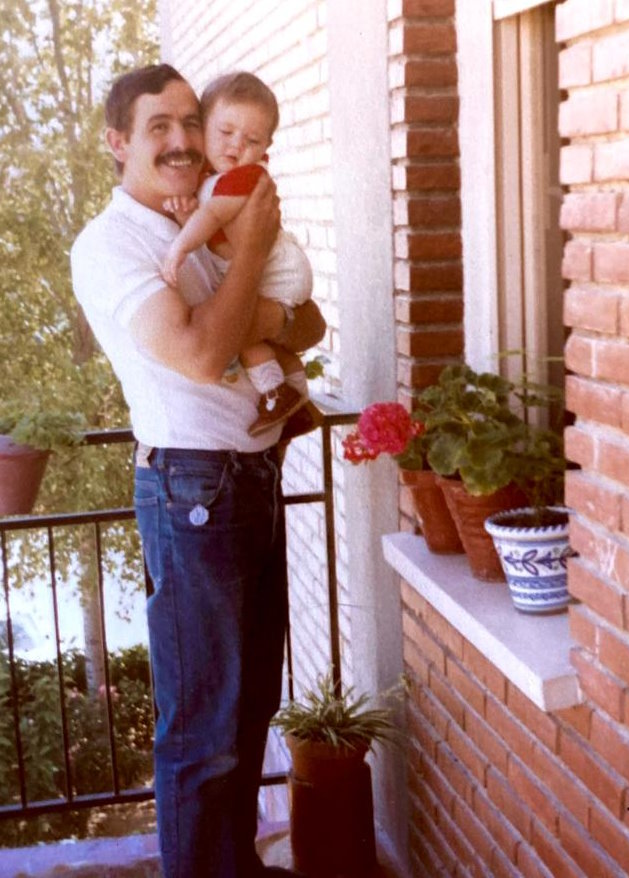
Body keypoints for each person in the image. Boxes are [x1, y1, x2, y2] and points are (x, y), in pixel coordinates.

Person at [70, 63, 325, 878]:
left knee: (251, 711)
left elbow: (309, 320)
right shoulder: (113, 244)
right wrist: (247, 249)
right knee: (201, 733)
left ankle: (235, 867)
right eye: (158, 127)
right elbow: (202, 349)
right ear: (118, 143)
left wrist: (257, 302)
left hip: (251, 476)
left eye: (191, 121)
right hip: (191, 491)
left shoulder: (215, 204)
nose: (182, 141)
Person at [162, 72, 312, 438]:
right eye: (225, 133)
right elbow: (216, 232)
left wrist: (179, 246)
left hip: (280, 272)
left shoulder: (241, 177)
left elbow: (212, 217)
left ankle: (277, 392)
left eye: (252, 139)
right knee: (248, 322)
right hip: (274, 267)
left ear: (266, 146)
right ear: (205, 128)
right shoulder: (214, 178)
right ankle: (299, 399)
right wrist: (186, 214)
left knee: (237, 325)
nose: (235, 146)